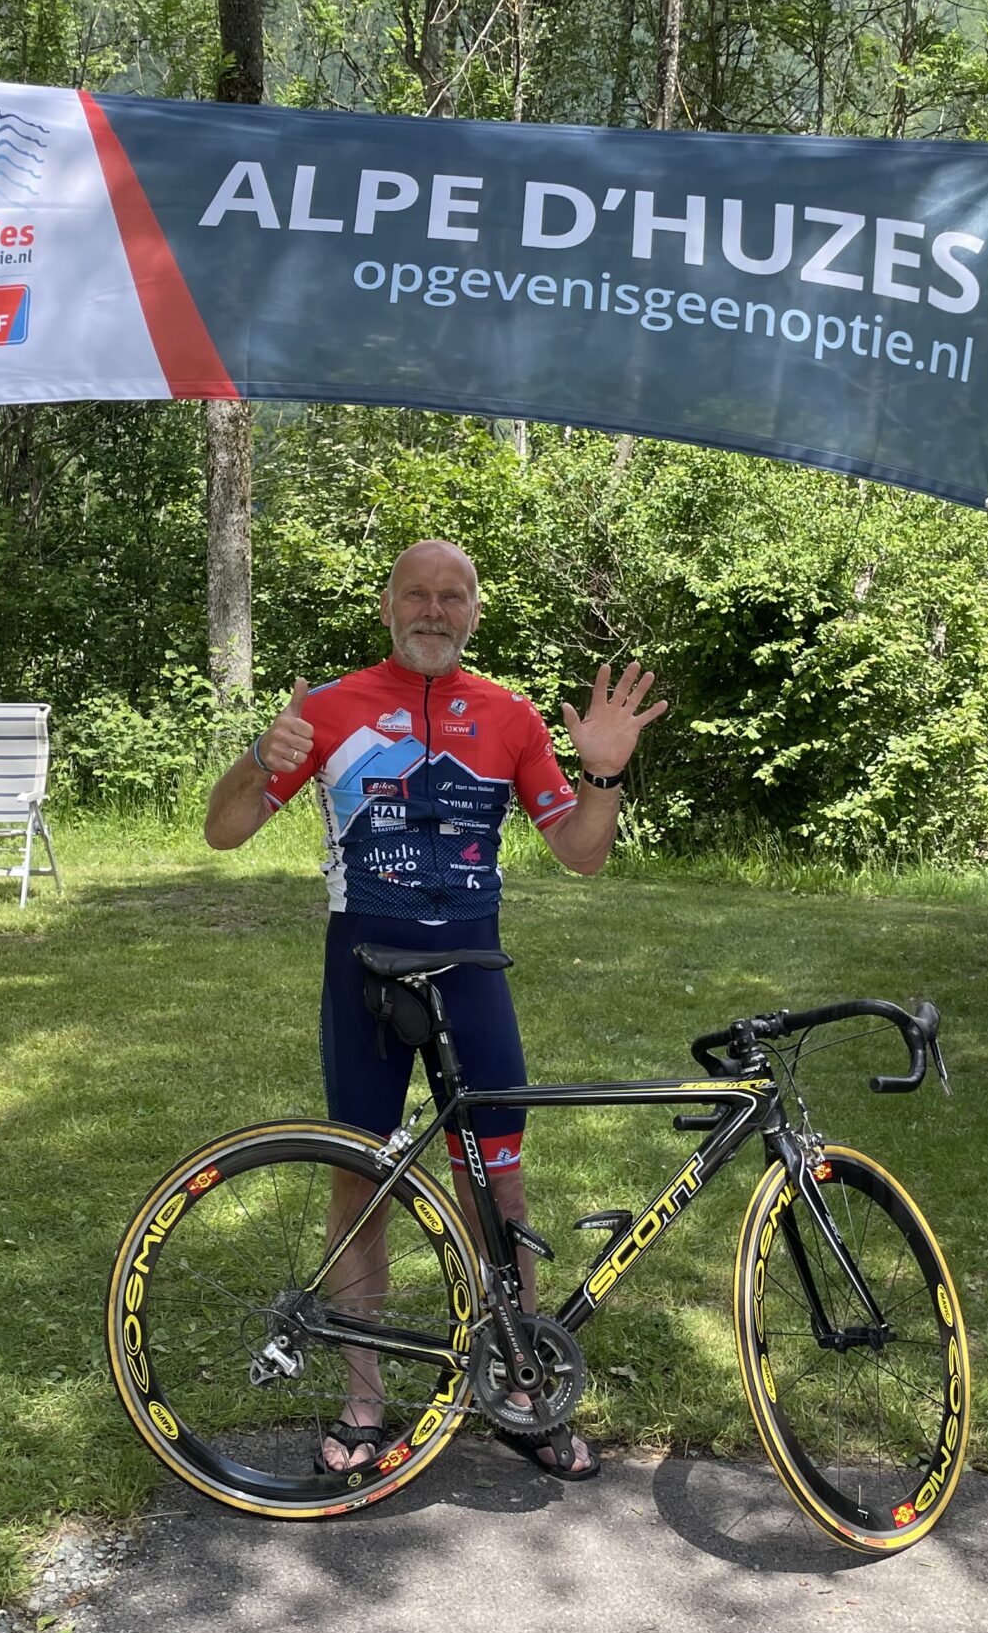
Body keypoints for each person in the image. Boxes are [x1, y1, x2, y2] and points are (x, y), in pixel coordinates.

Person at [202, 538, 667, 1482]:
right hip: (363, 970)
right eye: (416, 593)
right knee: (359, 1181)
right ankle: (364, 1399)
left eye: (453, 596)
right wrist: (257, 757)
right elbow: (224, 829)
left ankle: (521, 1388)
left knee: (499, 1187)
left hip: (472, 971)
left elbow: (581, 854)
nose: (433, 610)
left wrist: (603, 775)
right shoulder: (328, 709)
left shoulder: (510, 715)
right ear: (387, 607)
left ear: (474, 612)